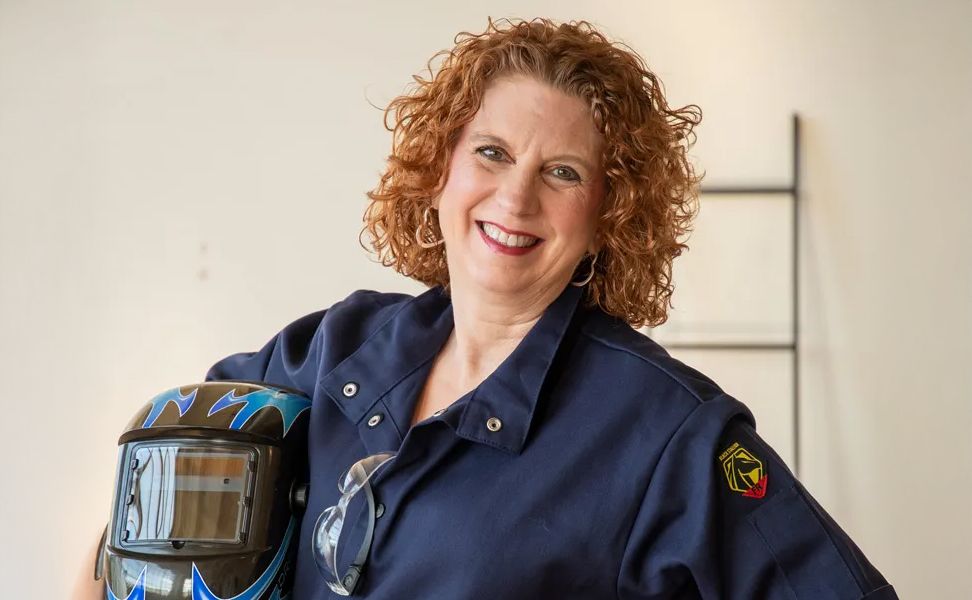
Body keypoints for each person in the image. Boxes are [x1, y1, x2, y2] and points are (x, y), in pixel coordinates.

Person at [77, 17, 897, 600]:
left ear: (609, 214)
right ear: (440, 169)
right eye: (493, 152)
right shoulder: (335, 350)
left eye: (564, 172)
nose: (515, 196)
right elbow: (145, 518)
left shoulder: (667, 434)